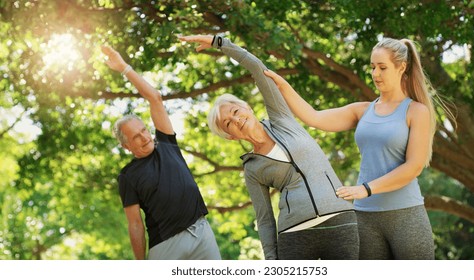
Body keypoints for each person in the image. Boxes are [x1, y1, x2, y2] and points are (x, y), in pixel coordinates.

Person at [264, 37, 453, 259]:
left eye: (382, 67)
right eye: (373, 67)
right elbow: (313, 117)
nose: (375, 74)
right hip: (364, 217)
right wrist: (283, 87)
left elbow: (414, 167)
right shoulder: (363, 111)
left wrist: (366, 189)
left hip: (405, 215)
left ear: (401, 67)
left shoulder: (416, 111)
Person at [179, 34, 359, 260]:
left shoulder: (281, 118)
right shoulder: (252, 169)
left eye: (235, 111)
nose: (236, 120)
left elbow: (257, 68)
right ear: (230, 136)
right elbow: (264, 219)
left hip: (339, 218)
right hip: (294, 234)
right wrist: (272, 261)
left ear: (247, 108)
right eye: (228, 123)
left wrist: (219, 43)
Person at [102, 45, 221, 260]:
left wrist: (123, 68)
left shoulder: (166, 143)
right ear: (126, 146)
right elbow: (135, 224)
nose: (145, 137)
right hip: (166, 246)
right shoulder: (128, 176)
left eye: (144, 130)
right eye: (136, 137)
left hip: (201, 233)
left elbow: (154, 97)